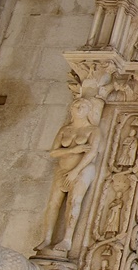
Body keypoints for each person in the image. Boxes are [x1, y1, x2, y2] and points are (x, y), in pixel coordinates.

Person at [37, 96, 104, 253]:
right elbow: (53, 152)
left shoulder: (93, 130)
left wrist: (75, 171)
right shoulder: (65, 130)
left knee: (74, 202)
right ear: (71, 109)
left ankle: (67, 239)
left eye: (83, 106)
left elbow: (92, 153)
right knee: (53, 203)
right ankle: (46, 238)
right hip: (62, 169)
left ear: (89, 111)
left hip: (82, 170)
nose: (79, 109)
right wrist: (72, 150)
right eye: (76, 105)